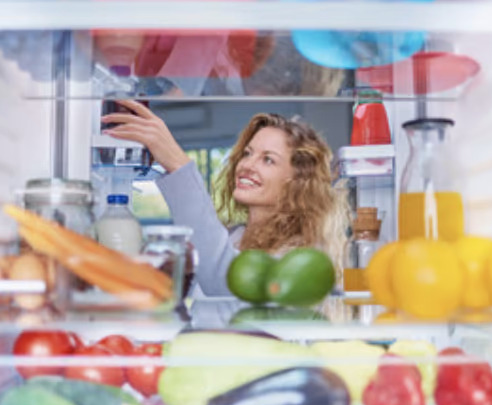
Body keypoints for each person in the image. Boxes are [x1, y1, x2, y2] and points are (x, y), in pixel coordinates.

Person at [101, 100, 349, 296]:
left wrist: (178, 164)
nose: (248, 165)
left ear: (297, 182)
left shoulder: (300, 254)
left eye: (268, 159)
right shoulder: (233, 237)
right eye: (248, 153)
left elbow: (224, 283)